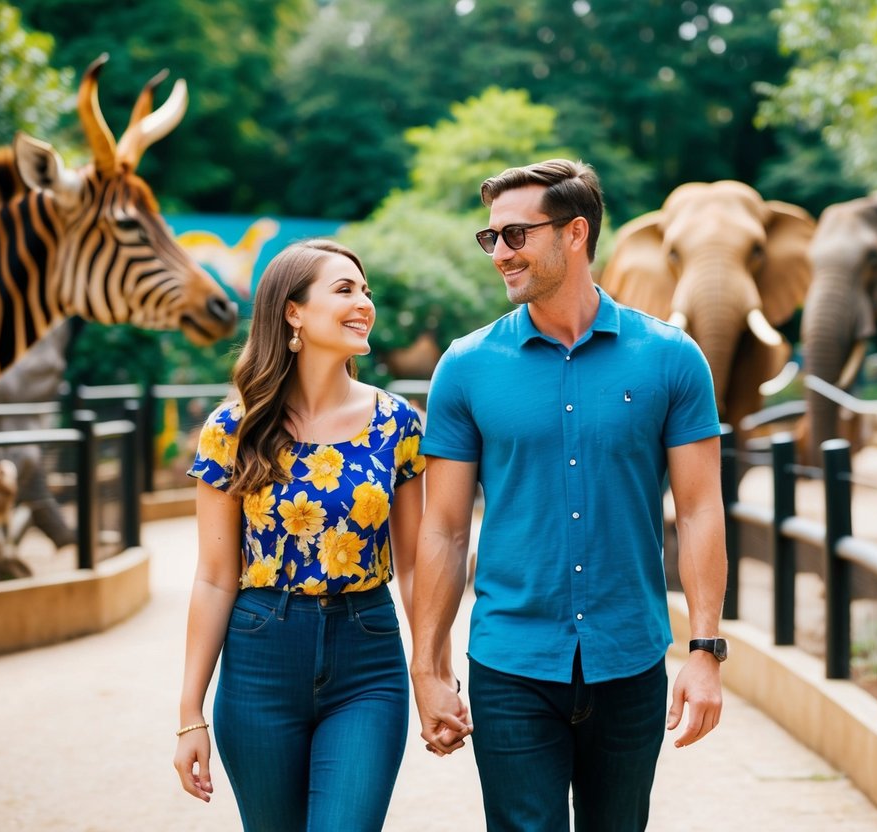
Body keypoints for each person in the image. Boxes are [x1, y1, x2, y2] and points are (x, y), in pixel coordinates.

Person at [410, 159, 729, 830]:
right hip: (510, 661)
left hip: (629, 656)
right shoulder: (465, 368)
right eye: (490, 238)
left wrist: (705, 652)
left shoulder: (671, 358)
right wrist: (428, 667)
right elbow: (442, 529)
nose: (499, 253)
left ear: (574, 233)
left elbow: (700, 511)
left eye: (516, 235)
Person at [173, 238, 432, 831]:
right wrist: (191, 712)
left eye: (366, 291)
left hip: (368, 656)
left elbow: (417, 564)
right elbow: (214, 578)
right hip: (260, 655)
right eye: (344, 290)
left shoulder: (398, 423)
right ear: (293, 312)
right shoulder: (232, 428)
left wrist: (432, 669)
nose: (364, 302)